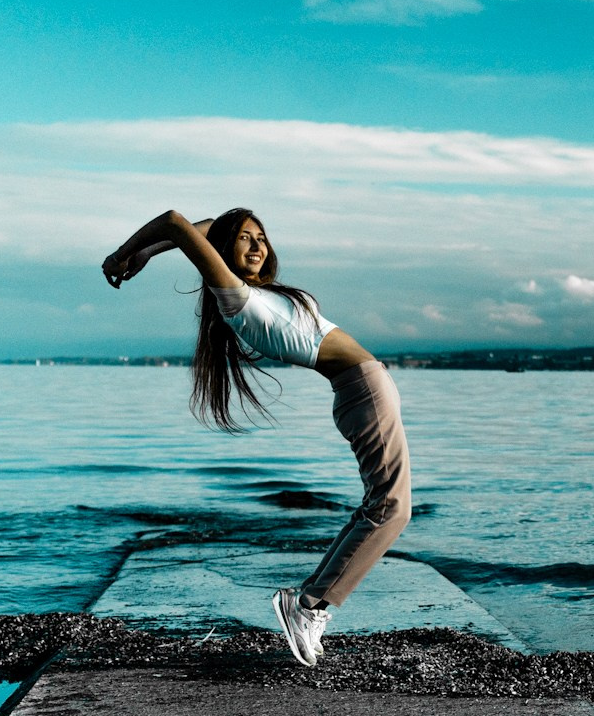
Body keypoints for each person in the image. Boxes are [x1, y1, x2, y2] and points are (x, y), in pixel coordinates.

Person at [101, 208, 411, 667]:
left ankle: (310, 603)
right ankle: (309, 605)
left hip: (364, 387)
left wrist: (148, 251)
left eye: (261, 237)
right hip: (362, 387)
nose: (257, 245)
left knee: (380, 506)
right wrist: (128, 252)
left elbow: (198, 229)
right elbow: (176, 222)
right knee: (391, 508)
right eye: (244, 238)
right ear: (222, 254)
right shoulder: (238, 299)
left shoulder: (259, 295)